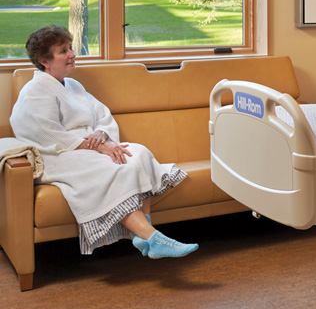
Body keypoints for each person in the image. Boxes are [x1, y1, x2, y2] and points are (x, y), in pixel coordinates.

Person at [10, 25, 198, 259]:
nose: (72, 54)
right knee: (113, 167)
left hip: (88, 146)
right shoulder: (35, 90)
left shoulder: (74, 85)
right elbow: (46, 132)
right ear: (44, 61)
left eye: (70, 48)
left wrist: (101, 134)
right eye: (63, 51)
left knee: (137, 153)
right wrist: (98, 146)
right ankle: (152, 237)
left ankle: (143, 234)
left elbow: (102, 114)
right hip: (59, 155)